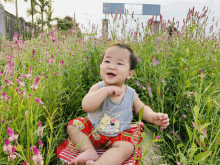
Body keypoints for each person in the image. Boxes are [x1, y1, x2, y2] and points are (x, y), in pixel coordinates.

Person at [67, 43, 170, 165]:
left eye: (119, 63)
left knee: (127, 147)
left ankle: (101, 163)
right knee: (73, 126)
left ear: (129, 74)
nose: (111, 66)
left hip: (119, 135)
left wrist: (153, 117)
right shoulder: (98, 87)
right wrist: (105, 92)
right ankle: (88, 150)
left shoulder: (130, 93)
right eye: (107, 61)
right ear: (100, 66)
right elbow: (86, 105)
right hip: (93, 131)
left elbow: (141, 109)